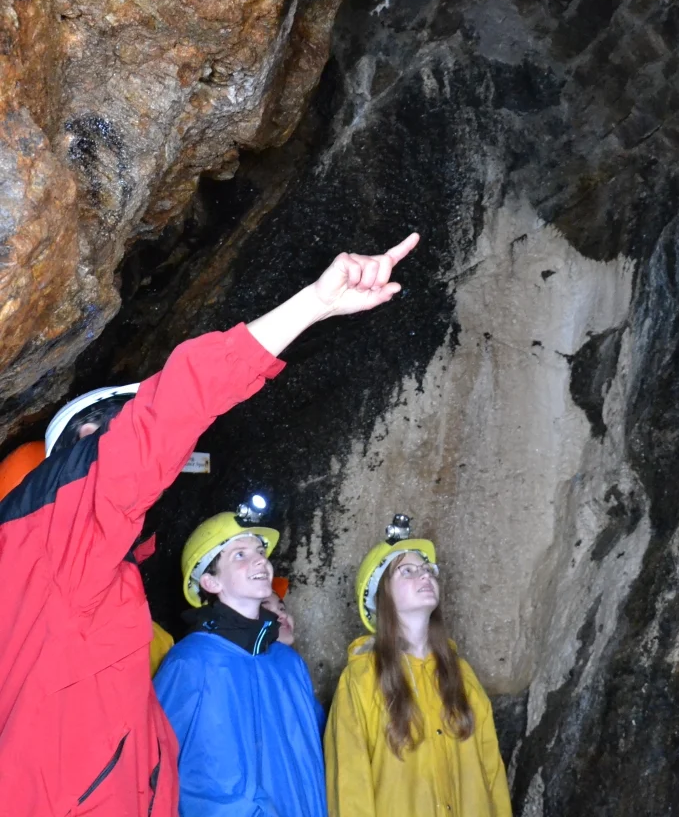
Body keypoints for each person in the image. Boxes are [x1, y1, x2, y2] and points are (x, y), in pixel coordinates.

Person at [0, 232, 420, 817]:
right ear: (91, 440)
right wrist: (315, 304)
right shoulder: (64, 533)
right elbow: (175, 402)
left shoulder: (82, 578)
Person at [324, 517, 512, 817]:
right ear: (381, 595)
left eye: (427, 570)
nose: (424, 575)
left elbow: (492, 771)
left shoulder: (461, 674)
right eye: (407, 571)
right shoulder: (360, 679)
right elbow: (349, 783)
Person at [154, 514, 324, 816]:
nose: (260, 560)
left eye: (260, 551)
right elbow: (154, 766)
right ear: (211, 581)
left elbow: (313, 759)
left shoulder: (288, 664)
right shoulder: (188, 662)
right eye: (240, 554)